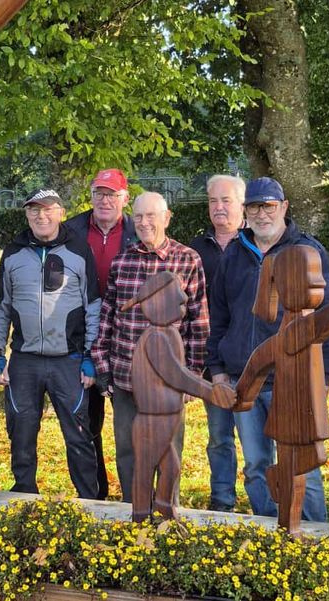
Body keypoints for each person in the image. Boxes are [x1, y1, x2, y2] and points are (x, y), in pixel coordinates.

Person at [205, 177, 329, 522]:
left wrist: (322, 376)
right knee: (255, 464)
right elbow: (218, 316)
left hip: (292, 382)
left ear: (283, 208)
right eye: (254, 207)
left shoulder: (307, 252)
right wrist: (218, 368)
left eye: (269, 206)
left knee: (302, 465)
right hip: (243, 379)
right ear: (245, 211)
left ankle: (313, 536)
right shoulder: (233, 255)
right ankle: (270, 532)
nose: (262, 214)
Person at [90, 192, 208, 503]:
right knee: (128, 448)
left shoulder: (188, 260)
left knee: (169, 449)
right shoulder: (123, 261)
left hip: (169, 382)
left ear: (167, 218)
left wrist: (192, 375)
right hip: (127, 376)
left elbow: (198, 322)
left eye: (151, 216)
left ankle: (168, 512)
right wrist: (103, 369)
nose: (144, 223)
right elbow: (107, 318)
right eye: (139, 216)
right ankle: (135, 508)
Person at [0, 188, 102, 499]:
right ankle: (24, 495)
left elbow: (93, 305)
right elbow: (1, 306)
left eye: (47, 209)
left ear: (60, 212)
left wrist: (90, 356)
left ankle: (89, 500)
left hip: (68, 359)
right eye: (34, 210)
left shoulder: (79, 251)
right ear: (27, 215)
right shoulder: (13, 253)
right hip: (24, 360)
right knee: (21, 433)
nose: (41, 216)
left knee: (79, 436)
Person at [122, 271, 237, 522]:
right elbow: (176, 375)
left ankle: (164, 511)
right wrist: (210, 392)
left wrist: (208, 389)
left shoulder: (168, 333)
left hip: (166, 416)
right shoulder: (154, 337)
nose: (183, 301)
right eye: (177, 299)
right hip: (153, 418)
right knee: (145, 469)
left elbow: (179, 373)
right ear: (157, 302)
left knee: (170, 468)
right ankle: (141, 516)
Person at [65, 168, 136, 500]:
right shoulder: (72, 231)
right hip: (83, 336)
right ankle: (94, 493)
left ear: (125, 198)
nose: (104, 200)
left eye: (112, 194)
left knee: (131, 424)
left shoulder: (140, 230)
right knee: (87, 422)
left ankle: (136, 497)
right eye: (99, 193)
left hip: (127, 339)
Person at [189, 174, 245, 512]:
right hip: (214, 361)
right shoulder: (195, 250)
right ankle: (222, 499)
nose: (219, 207)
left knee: (261, 442)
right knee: (219, 436)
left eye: (226, 201)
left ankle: (267, 501)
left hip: (255, 359)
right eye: (213, 201)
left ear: (242, 205)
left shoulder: (256, 244)